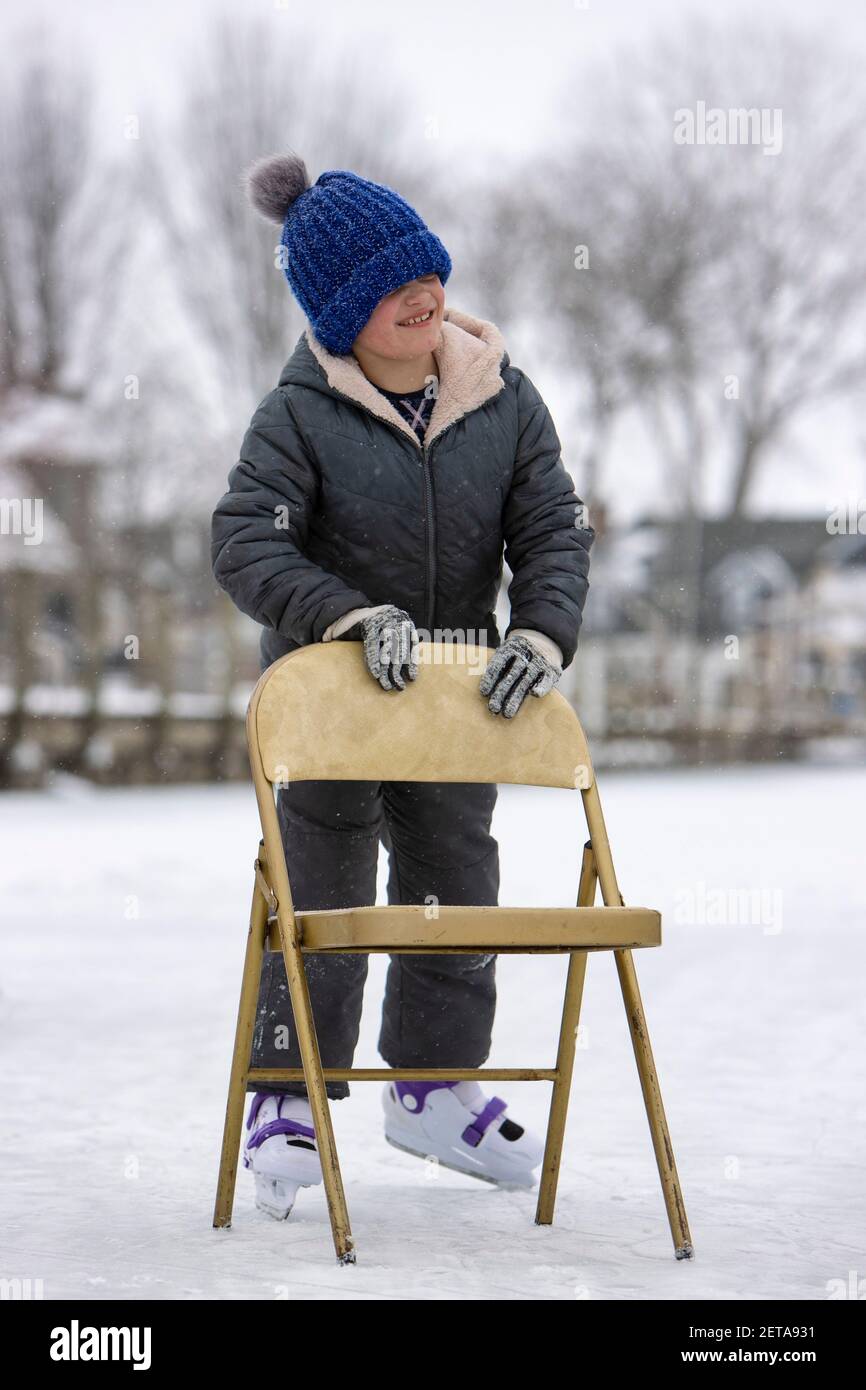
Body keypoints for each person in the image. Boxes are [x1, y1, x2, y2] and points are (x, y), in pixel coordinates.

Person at [210, 152, 595, 1219]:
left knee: (452, 889)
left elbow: (553, 529)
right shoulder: (298, 413)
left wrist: (544, 633)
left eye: (425, 272)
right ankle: (286, 1095)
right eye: (391, 288)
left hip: (455, 706)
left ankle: (428, 1085)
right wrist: (346, 614)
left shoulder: (501, 396)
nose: (422, 296)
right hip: (332, 705)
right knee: (322, 898)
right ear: (343, 314)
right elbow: (244, 540)